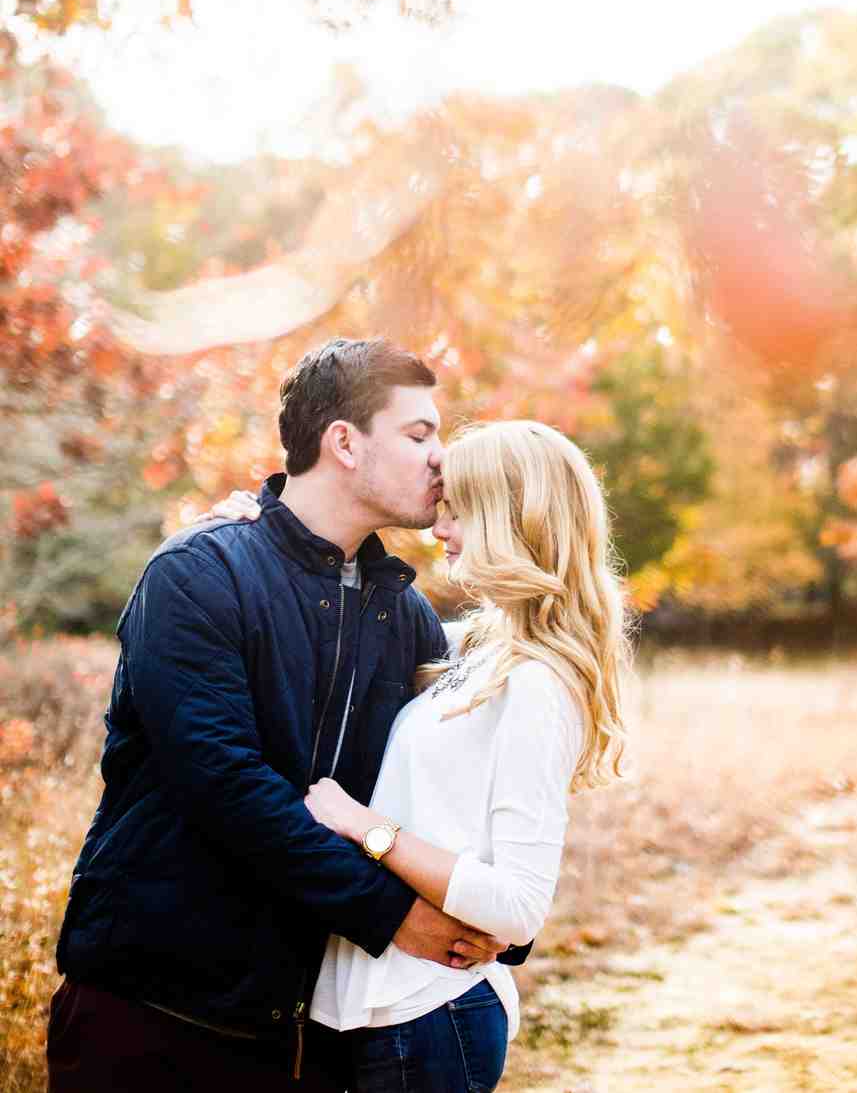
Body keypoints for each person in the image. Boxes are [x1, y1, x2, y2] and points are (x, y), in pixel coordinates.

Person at [46, 338, 530, 1093]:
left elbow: (451, 786)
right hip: (152, 1016)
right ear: (343, 441)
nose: (442, 457)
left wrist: (491, 919)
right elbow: (226, 787)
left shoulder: (406, 619)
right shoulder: (200, 574)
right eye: (418, 433)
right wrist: (393, 914)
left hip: (306, 1038)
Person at [214, 418, 631, 1092]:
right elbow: (339, 630)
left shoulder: (538, 683)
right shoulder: (480, 649)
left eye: (460, 509)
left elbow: (520, 904)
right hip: (373, 1006)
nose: (441, 528)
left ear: (513, 517)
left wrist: (365, 826)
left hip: (431, 1014)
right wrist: (254, 541)